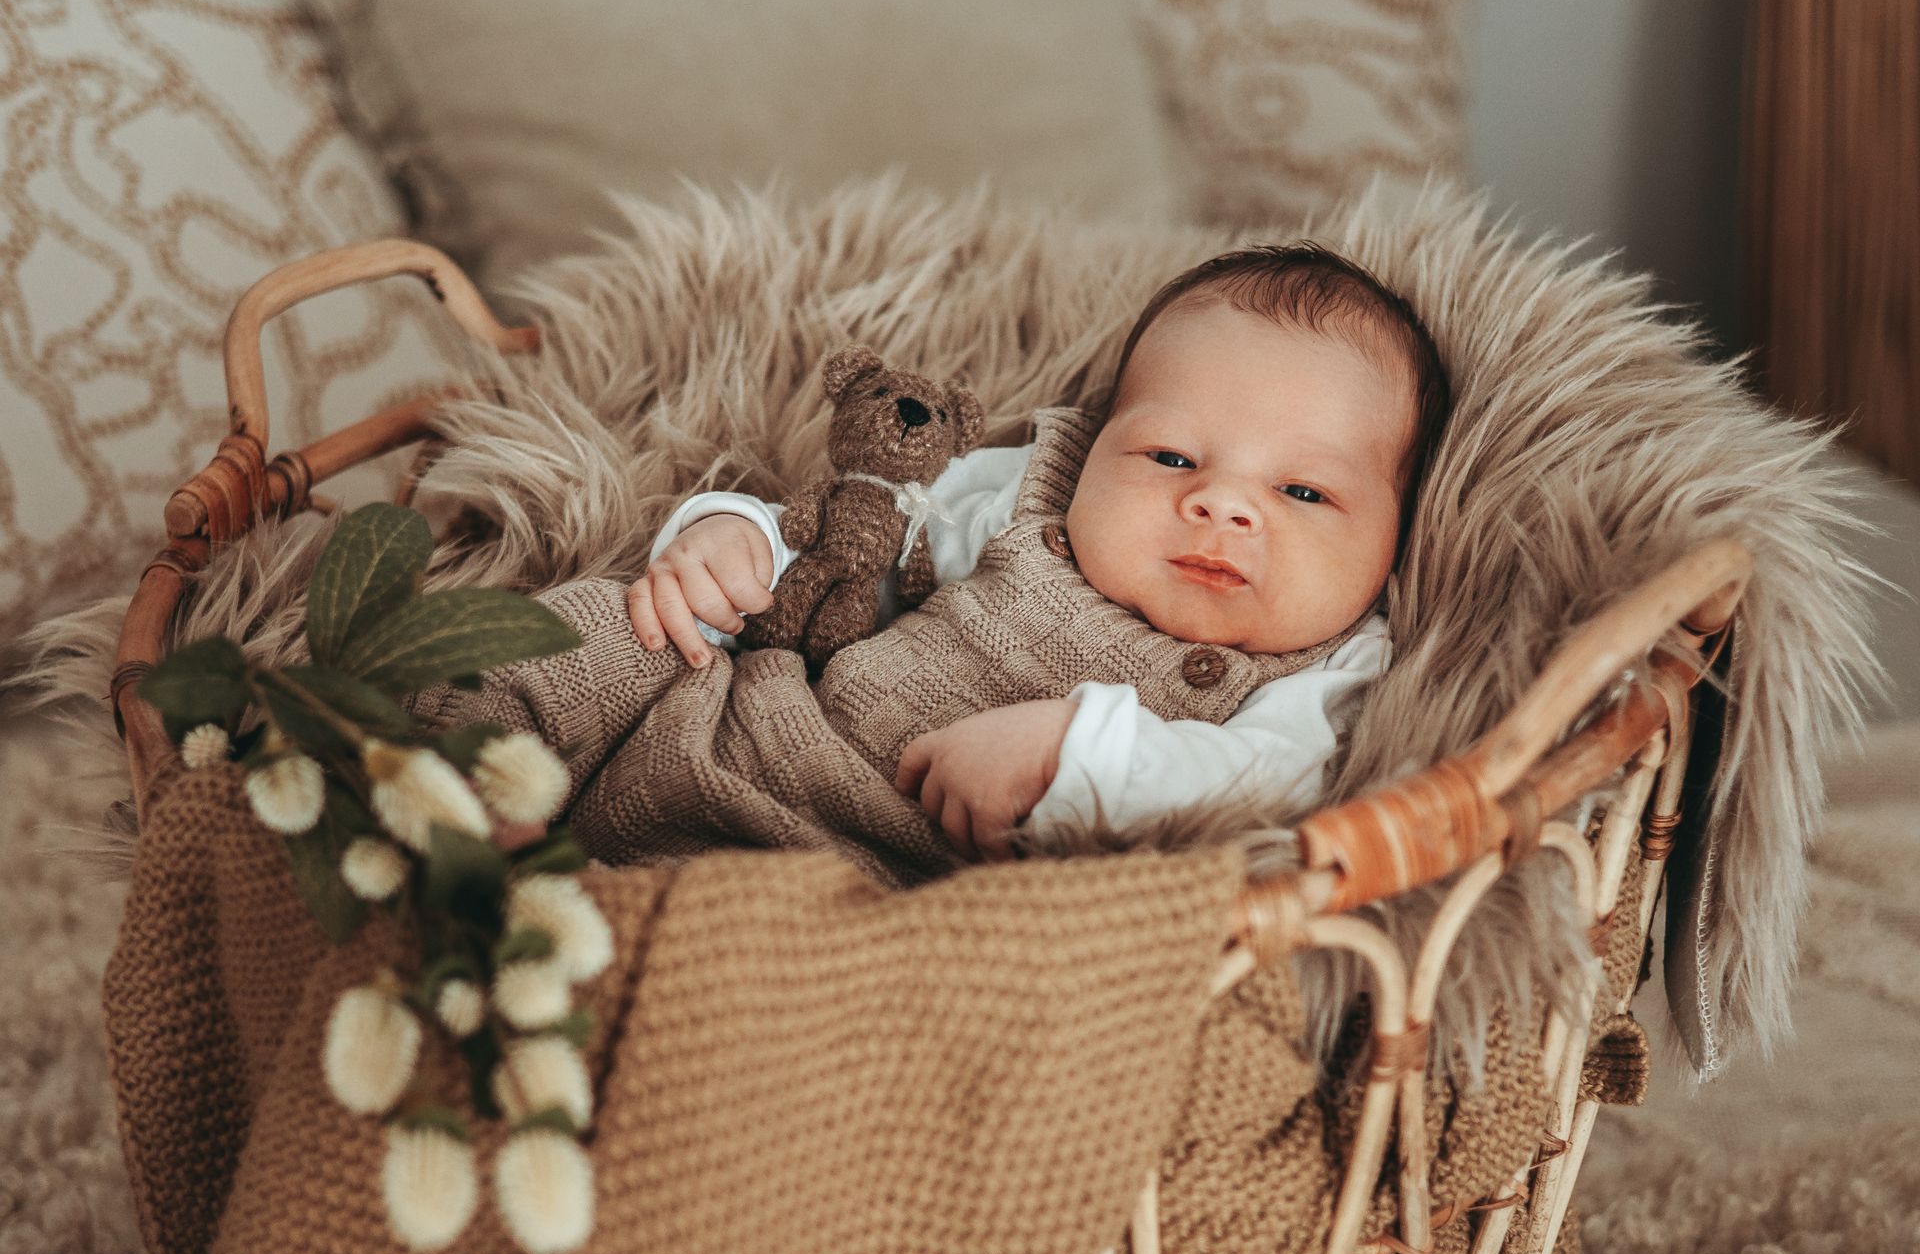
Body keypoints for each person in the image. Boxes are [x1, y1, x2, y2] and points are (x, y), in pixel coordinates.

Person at [418, 244, 1448, 878]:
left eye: (1304, 493)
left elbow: (1265, 795)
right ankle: (440, 786)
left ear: (1395, 537)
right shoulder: (1025, 501)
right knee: (622, 627)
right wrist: (731, 541)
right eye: (1171, 456)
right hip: (723, 741)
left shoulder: (1330, 674)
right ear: (1095, 449)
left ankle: (545, 930)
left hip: (877, 901)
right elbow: (858, 540)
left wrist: (1076, 751)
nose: (1219, 502)